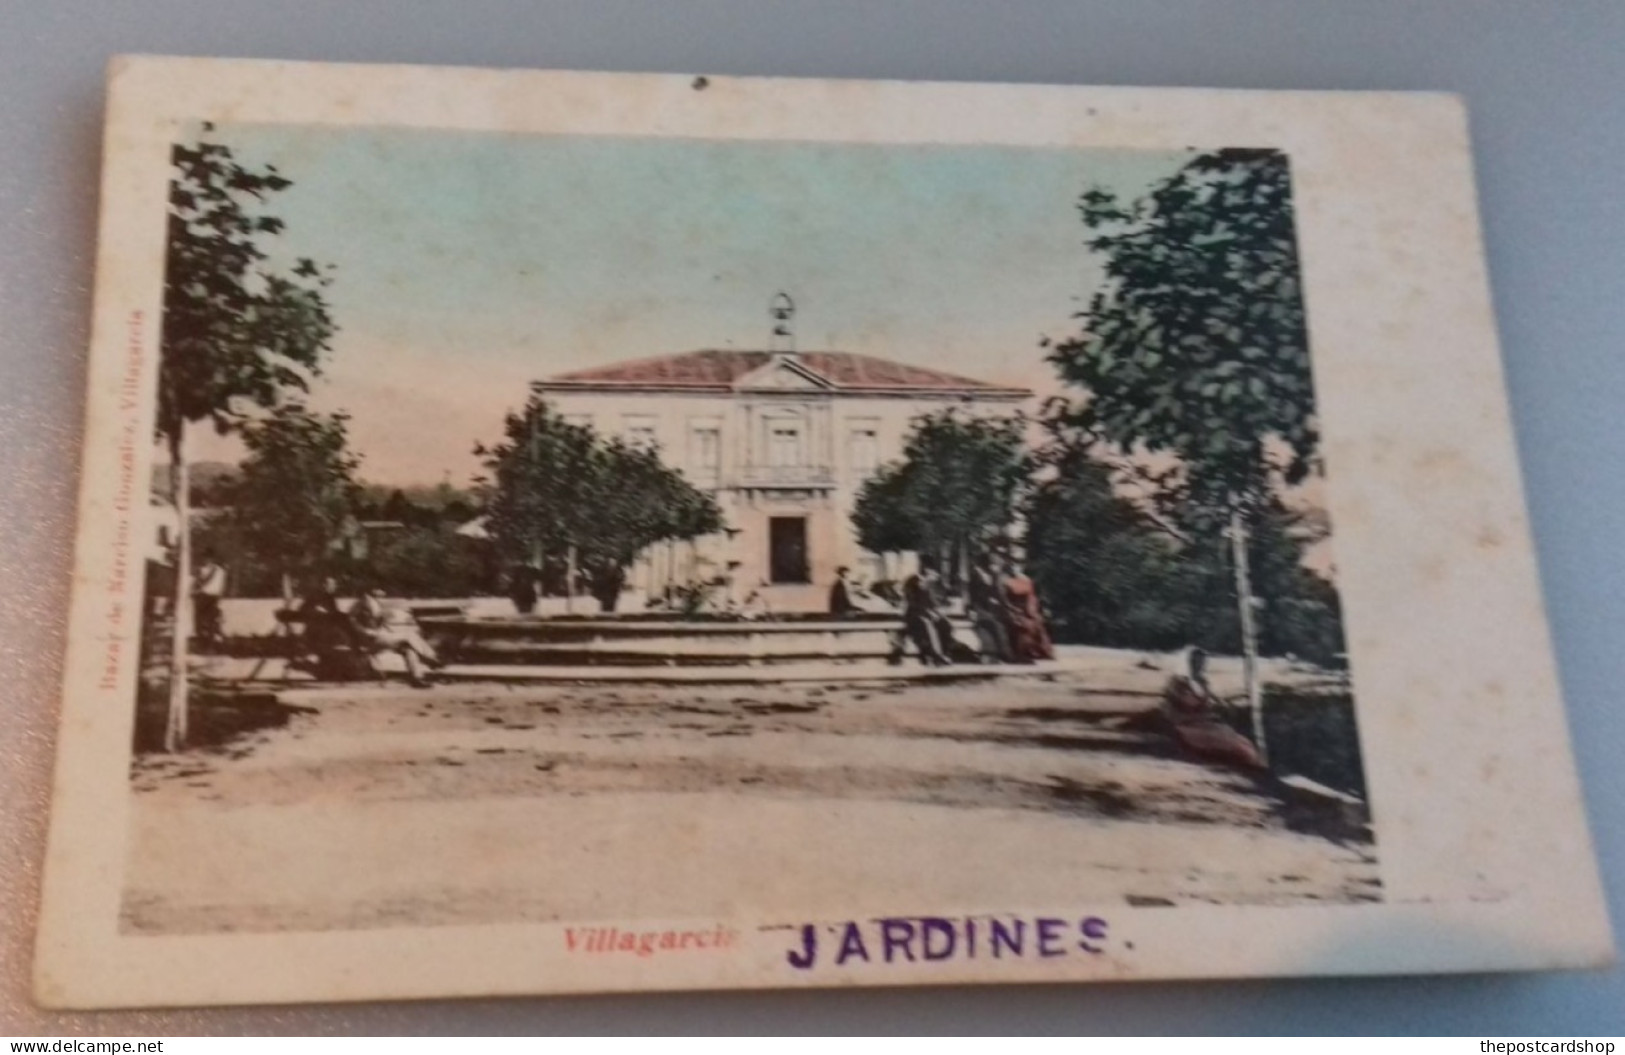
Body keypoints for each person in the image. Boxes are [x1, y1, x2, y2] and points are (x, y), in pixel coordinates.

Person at [1159, 646, 1264, 770]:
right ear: (1186, 663)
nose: (1199, 666)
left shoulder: (1202, 681)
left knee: (1244, 742)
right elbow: (1181, 703)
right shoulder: (1178, 682)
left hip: (1203, 722)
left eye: (1201, 663)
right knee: (1231, 744)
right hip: (1185, 724)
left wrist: (1221, 705)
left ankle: (1257, 768)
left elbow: (1208, 700)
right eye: (1195, 662)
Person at [351, 588, 442, 687]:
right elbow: (351, 619)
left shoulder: (375, 602)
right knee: (409, 636)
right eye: (380, 590)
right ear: (372, 589)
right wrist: (365, 632)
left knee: (408, 649)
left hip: (382, 637)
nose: (383, 592)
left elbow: (378, 621)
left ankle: (416, 678)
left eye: (382, 591)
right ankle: (432, 659)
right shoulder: (363, 601)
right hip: (373, 639)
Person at [999, 555, 1054, 663]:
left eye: (1019, 565)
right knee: (1024, 624)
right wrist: (1013, 609)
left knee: (1037, 621)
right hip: (1011, 608)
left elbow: (1032, 598)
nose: (1016, 567)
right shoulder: (1005, 580)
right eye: (1014, 565)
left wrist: (1032, 611)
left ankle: (1038, 650)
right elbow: (1004, 598)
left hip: (1026, 609)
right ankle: (1023, 651)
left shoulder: (1026, 580)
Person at [901, 559, 949, 666]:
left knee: (945, 624)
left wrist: (937, 612)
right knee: (927, 625)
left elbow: (931, 602)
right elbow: (912, 602)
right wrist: (928, 613)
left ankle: (943, 653)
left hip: (925, 614)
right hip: (913, 615)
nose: (935, 576)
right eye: (933, 572)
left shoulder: (928, 584)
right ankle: (936, 656)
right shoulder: (911, 581)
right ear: (927, 570)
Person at [967, 558, 1011, 664]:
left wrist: (997, 601)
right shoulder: (975, 575)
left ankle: (1001, 654)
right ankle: (990, 654)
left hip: (990, 607)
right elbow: (973, 593)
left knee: (998, 627)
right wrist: (973, 608)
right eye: (993, 565)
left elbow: (996, 592)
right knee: (988, 626)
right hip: (979, 606)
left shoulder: (992, 576)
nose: (994, 568)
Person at [191, 550, 228, 650]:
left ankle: (209, 644)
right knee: (200, 622)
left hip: (211, 597)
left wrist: (220, 599)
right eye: (205, 558)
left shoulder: (219, 571)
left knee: (211, 621)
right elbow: (195, 583)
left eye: (208, 558)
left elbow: (221, 586)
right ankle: (203, 643)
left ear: (212, 559)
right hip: (203, 597)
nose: (206, 560)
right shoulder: (201, 569)